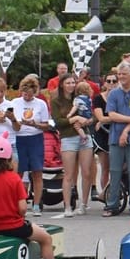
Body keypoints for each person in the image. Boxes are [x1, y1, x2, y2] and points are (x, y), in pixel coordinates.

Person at [100, 67, 130, 215]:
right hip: (115, 138)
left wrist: (126, 131)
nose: (121, 77)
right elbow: (112, 115)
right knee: (115, 172)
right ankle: (112, 205)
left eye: (124, 74)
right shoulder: (114, 93)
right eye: (119, 74)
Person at [50, 74, 96, 214]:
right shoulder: (56, 101)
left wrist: (88, 121)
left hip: (85, 135)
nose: (71, 85)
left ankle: (83, 204)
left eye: (73, 82)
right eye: (68, 82)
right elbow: (58, 122)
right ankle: (68, 206)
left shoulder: (81, 97)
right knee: (69, 174)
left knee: (87, 172)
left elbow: (91, 114)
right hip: (68, 137)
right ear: (62, 84)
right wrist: (74, 118)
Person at [10, 76, 52, 210]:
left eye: (30, 94)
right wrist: (16, 122)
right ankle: (18, 203)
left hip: (35, 139)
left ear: (35, 92)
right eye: (25, 93)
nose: (27, 96)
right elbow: (11, 120)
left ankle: (36, 204)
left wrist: (35, 124)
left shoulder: (40, 104)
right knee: (18, 173)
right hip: (19, 138)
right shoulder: (15, 103)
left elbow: (46, 125)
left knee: (37, 172)